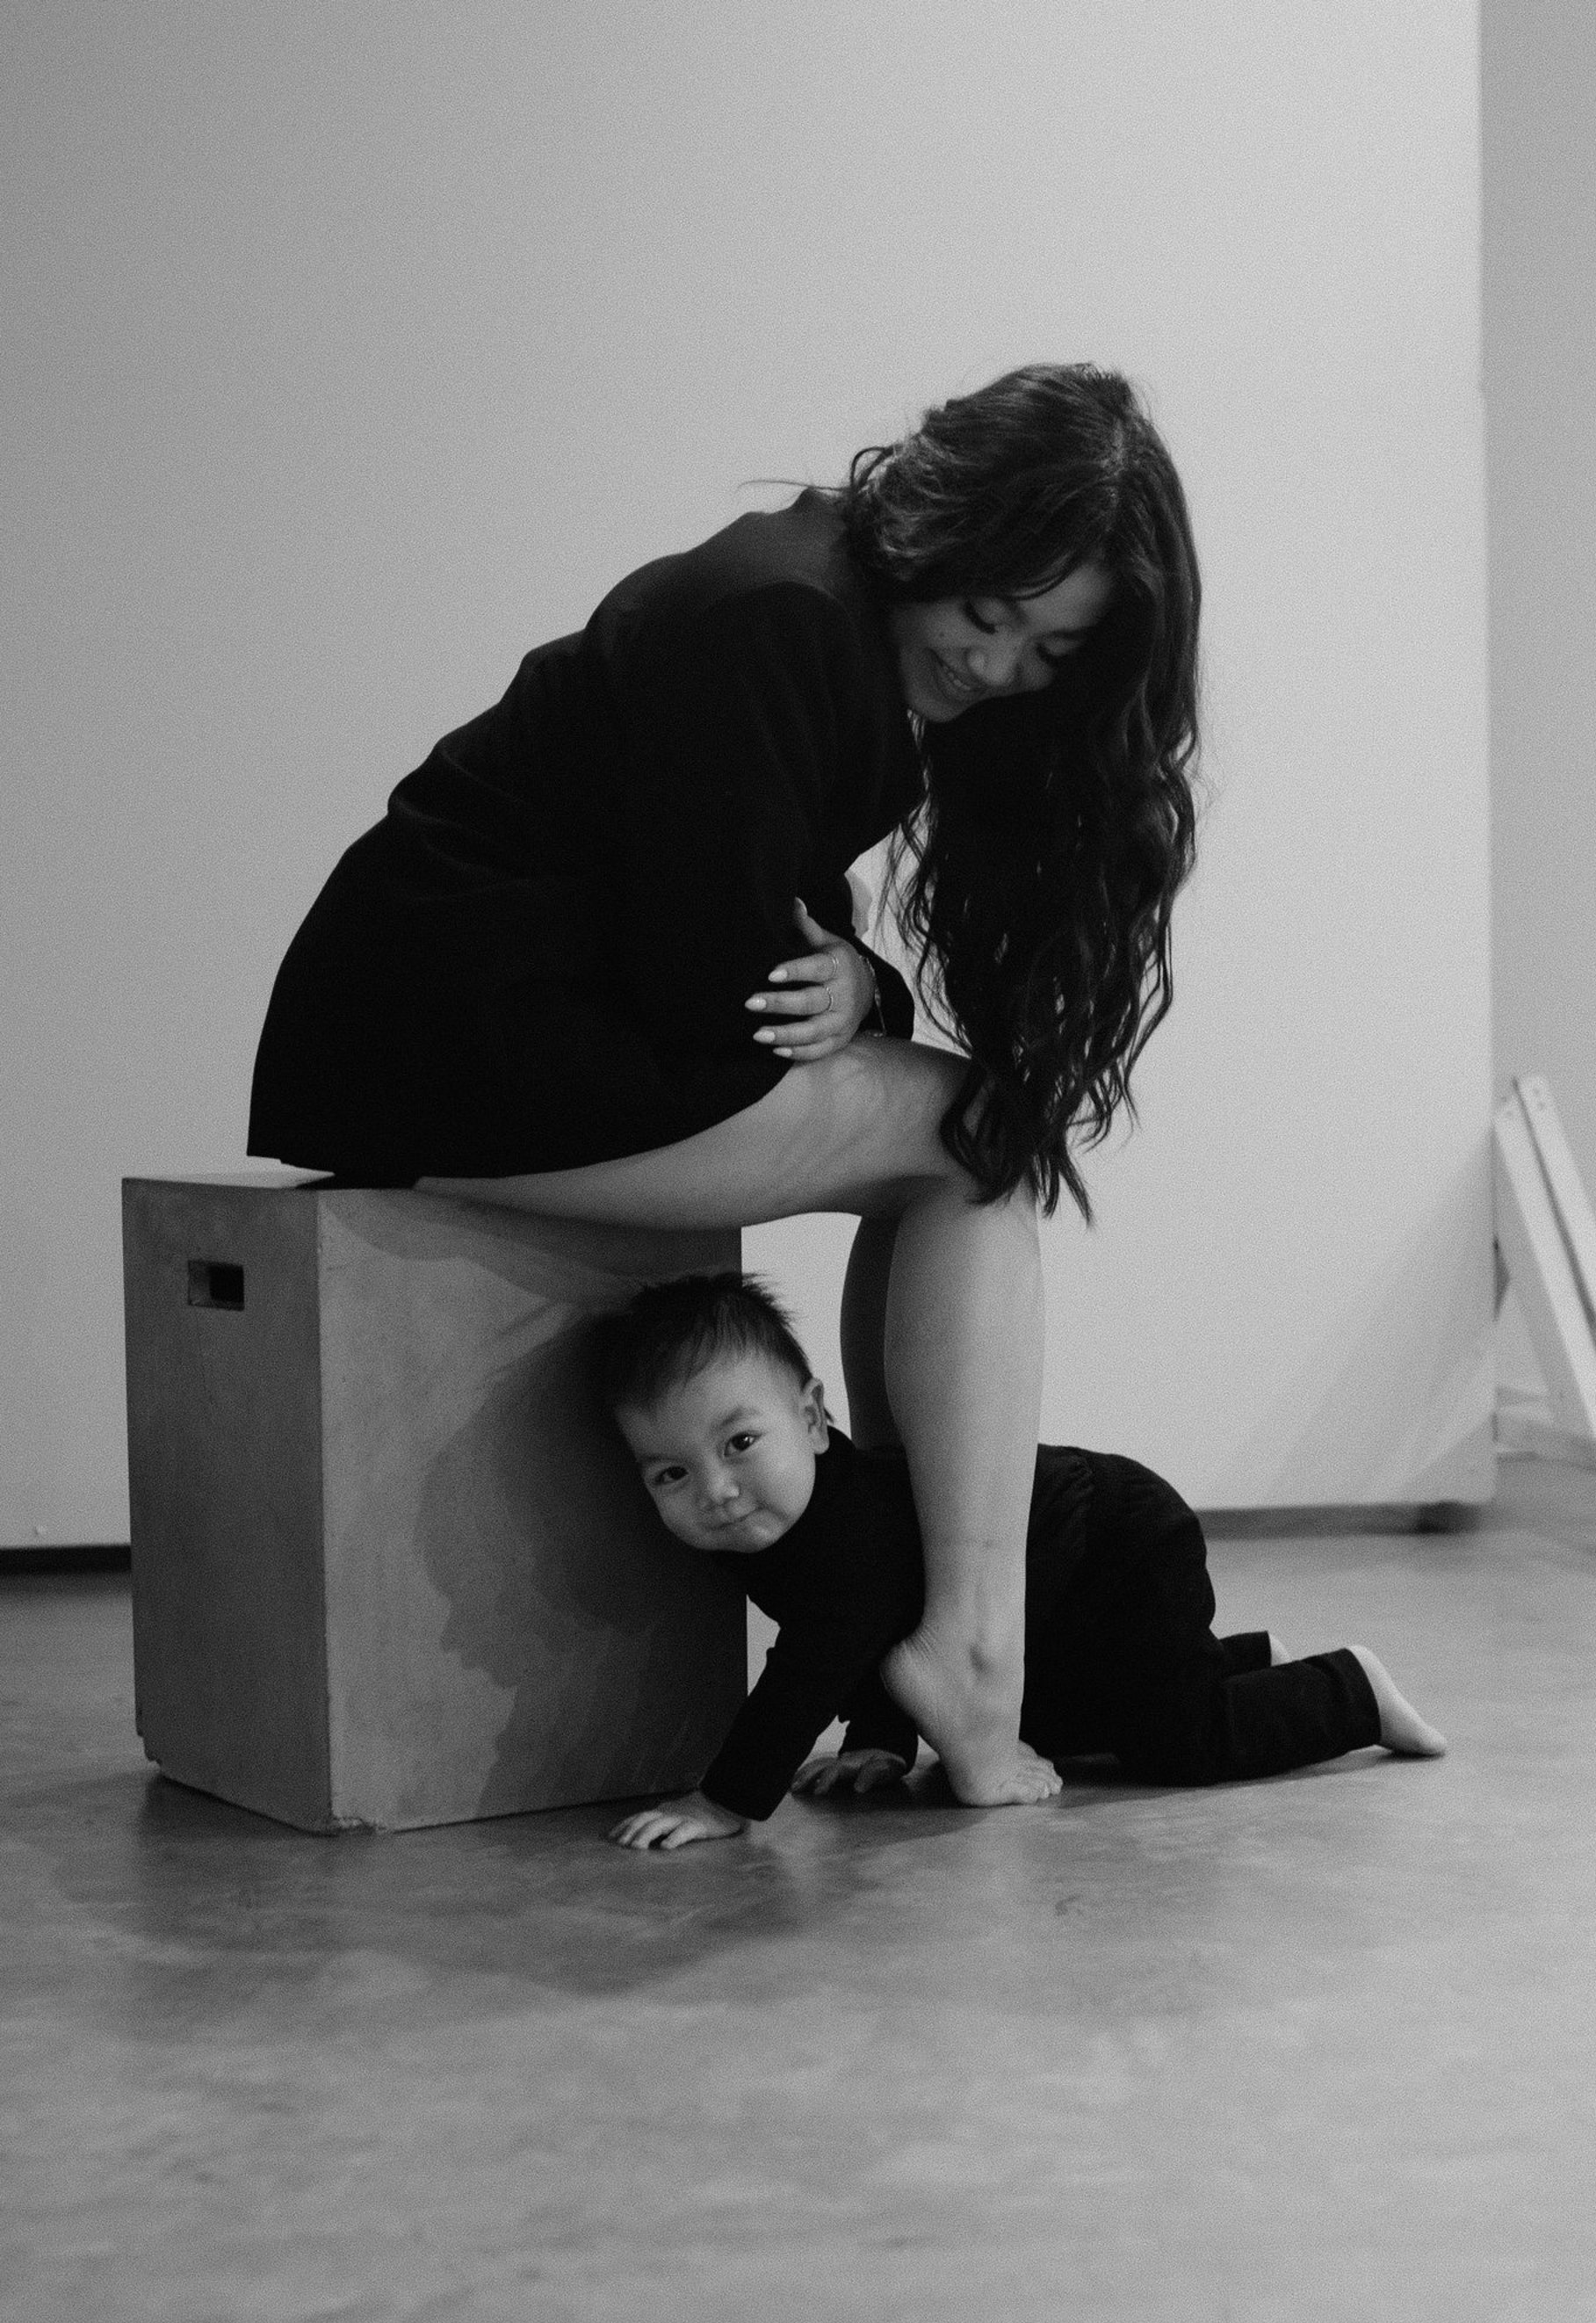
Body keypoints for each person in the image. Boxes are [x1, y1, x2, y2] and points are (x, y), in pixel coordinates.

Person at [247, 364, 1202, 1809]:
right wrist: (861, 990)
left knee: (965, 1141)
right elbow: (730, 990)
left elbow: (751, 938)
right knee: (978, 1146)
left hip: (457, 1036)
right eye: (986, 613)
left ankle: (935, 1623)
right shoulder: (784, 620)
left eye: (1047, 651)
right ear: (940, 529)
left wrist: (859, 986)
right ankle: (968, 1646)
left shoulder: (823, 619)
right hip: (455, 1046)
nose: (994, 665)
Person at [594, 1275, 1447, 1852]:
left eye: (741, 1443)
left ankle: (1348, 1691)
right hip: (1061, 1577)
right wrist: (879, 1744)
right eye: (671, 1473)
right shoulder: (787, 1523)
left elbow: (812, 1665)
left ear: (814, 1421)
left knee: (1172, 1740)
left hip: (1115, 1542)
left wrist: (724, 1801)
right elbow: (879, 1631)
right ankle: (1249, 1664)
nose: (717, 1490)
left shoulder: (841, 1531)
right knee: (1069, 1726)